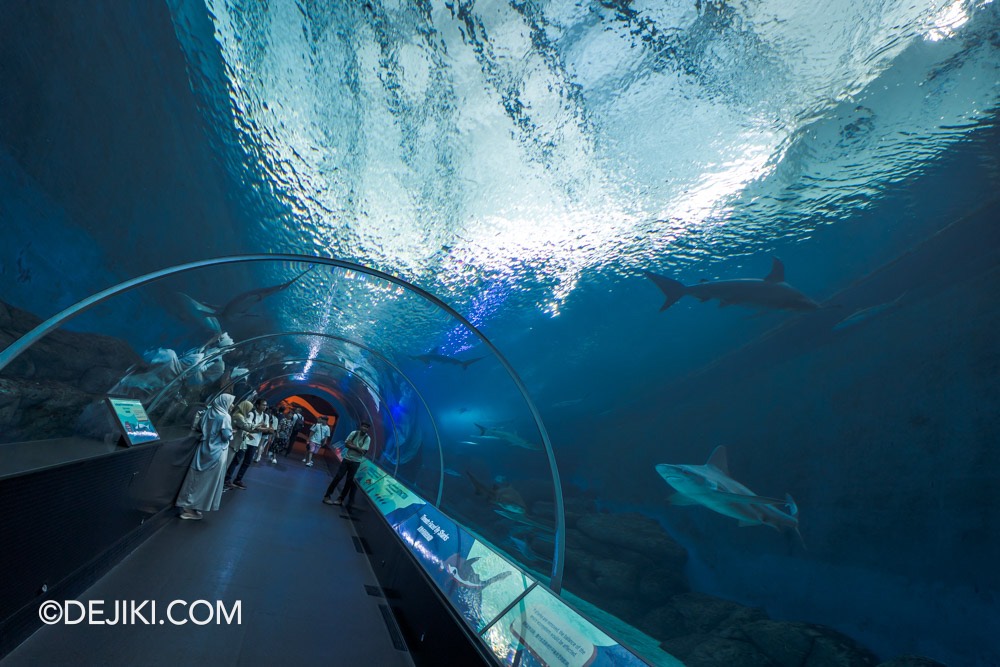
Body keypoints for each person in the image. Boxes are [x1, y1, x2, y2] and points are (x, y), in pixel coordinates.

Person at [176, 393, 235, 520]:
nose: (232, 405)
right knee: (207, 483)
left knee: (195, 478)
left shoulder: (209, 412)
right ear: (224, 403)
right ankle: (192, 509)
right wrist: (231, 434)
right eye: (230, 402)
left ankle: (186, 505)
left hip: (203, 448)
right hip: (217, 452)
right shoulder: (225, 417)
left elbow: (199, 426)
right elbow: (226, 436)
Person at [225, 398, 273, 490]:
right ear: (257, 405)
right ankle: (227, 478)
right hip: (245, 440)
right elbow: (248, 427)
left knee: (247, 462)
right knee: (236, 460)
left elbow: (264, 428)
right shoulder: (251, 414)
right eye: (263, 404)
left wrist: (263, 428)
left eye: (266, 405)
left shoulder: (265, 416)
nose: (265, 407)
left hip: (255, 442)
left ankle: (238, 479)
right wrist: (260, 427)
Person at [322, 421, 371, 508]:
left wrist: (353, 446)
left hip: (356, 462)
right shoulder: (354, 433)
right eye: (363, 426)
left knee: (349, 481)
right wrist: (357, 448)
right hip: (347, 459)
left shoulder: (367, 438)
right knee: (338, 477)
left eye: (366, 427)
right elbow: (346, 444)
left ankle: (340, 499)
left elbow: (363, 452)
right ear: (361, 426)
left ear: (368, 429)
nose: (364, 428)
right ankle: (327, 496)